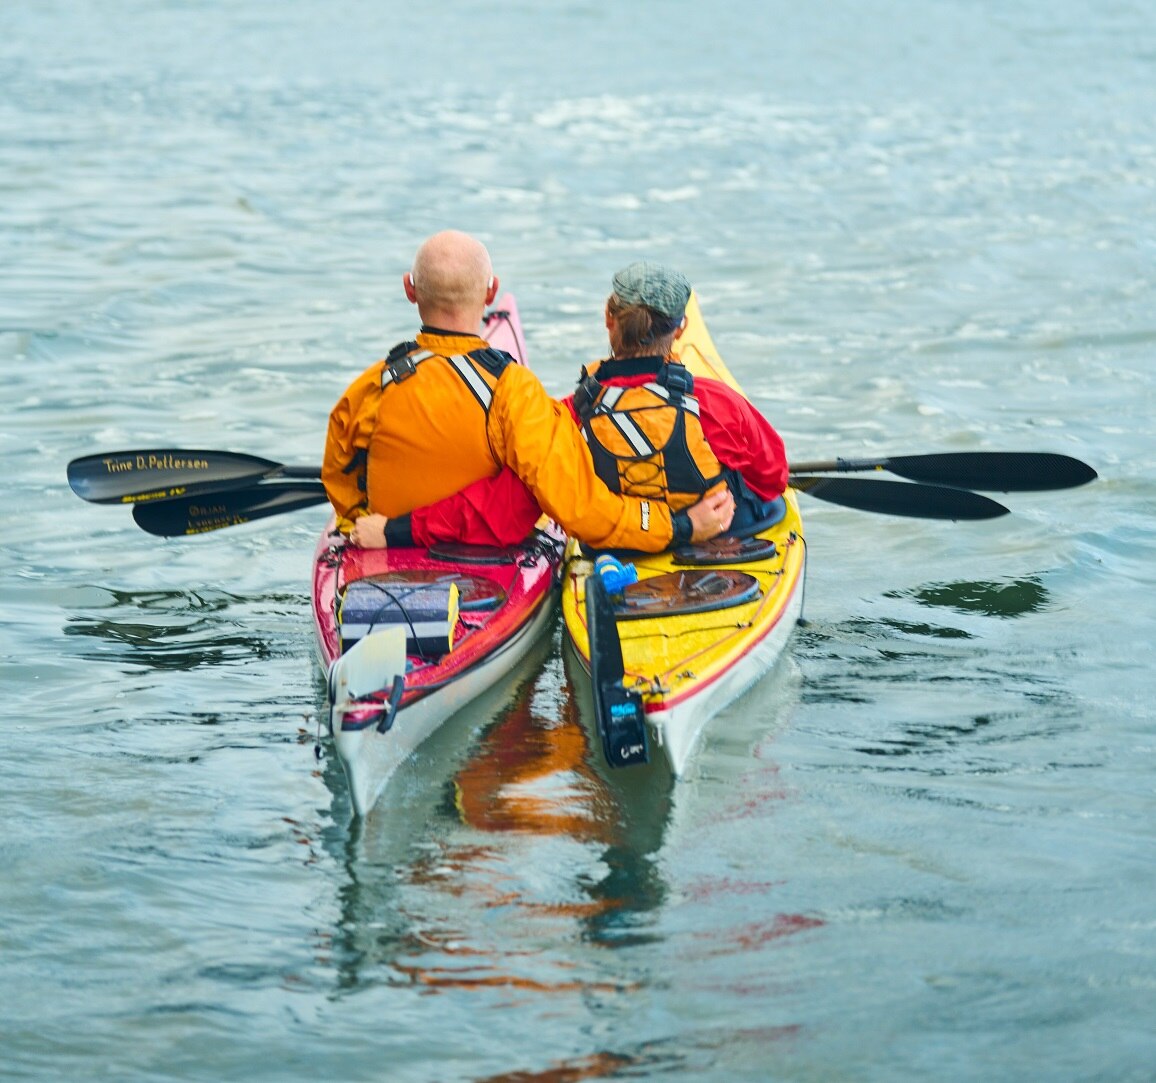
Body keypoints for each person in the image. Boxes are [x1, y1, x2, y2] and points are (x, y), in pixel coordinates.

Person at [321, 231, 734, 551]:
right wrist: (680, 526)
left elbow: (340, 478)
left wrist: (365, 523)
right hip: (482, 561)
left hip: (383, 545)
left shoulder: (370, 387)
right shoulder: (515, 391)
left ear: (410, 290)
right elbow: (581, 507)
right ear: (491, 291)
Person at [561, 261, 789, 534]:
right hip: (715, 538)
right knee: (774, 502)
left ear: (608, 318)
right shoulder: (716, 402)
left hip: (623, 540)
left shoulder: (571, 411)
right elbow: (773, 478)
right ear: (680, 329)